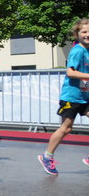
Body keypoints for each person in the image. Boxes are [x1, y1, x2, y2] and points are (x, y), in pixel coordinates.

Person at [38, 18, 89, 175]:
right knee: (66, 128)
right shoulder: (77, 50)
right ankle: (47, 157)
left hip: (85, 96)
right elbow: (70, 72)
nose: (87, 35)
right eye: (84, 32)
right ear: (76, 34)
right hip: (71, 97)